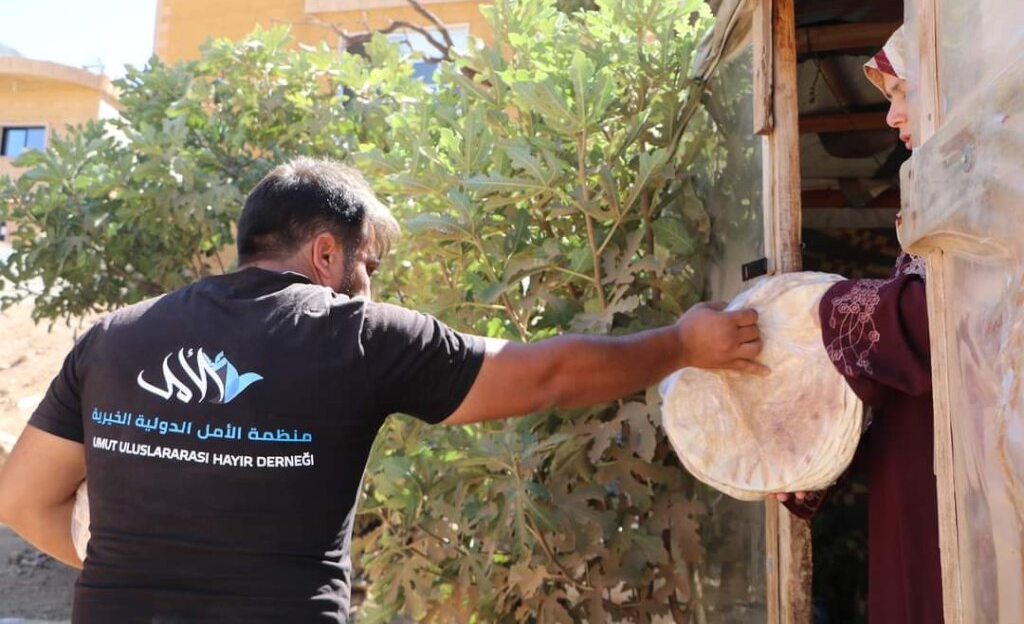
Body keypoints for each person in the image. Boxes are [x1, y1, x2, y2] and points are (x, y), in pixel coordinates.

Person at [0, 157, 767, 623]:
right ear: (325, 253)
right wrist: (682, 344)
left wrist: (128, 565)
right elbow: (546, 373)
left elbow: (22, 499)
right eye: (367, 265)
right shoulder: (357, 335)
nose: (368, 286)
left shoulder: (113, 337)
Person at [778, 27, 942, 623]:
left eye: (902, 91)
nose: (892, 116)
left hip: (967, 481)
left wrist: (820, 308)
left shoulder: (1001, 186)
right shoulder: (940, 194)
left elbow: (940, 323)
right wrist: (815, 454)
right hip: (918, 473)